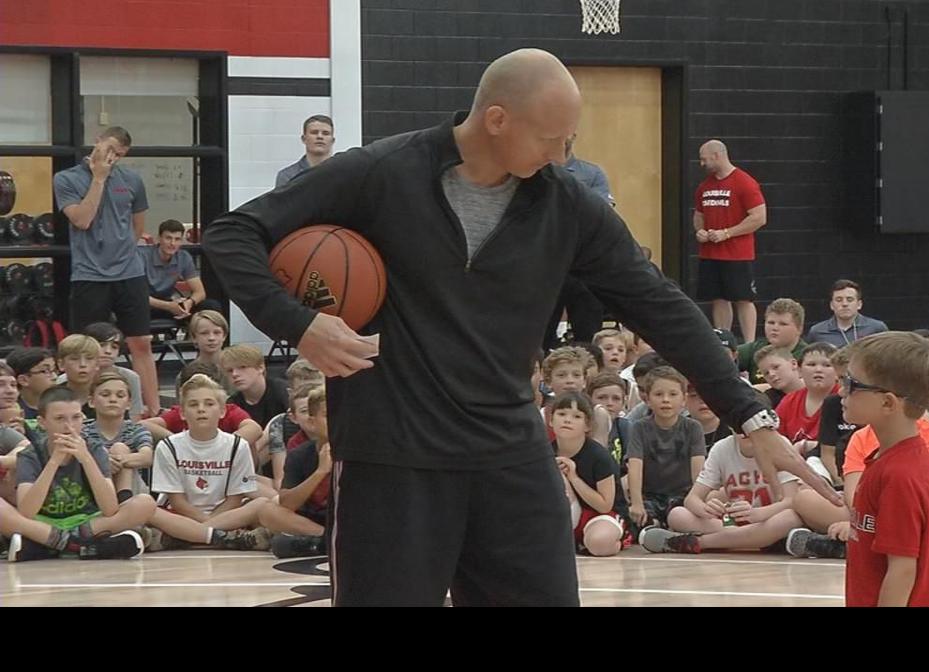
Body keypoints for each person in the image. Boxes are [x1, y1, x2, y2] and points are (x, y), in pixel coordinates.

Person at [203, 48, 837, 607]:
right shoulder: (382, 172)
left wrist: (749, 414)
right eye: (552, 138)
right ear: (496, 118)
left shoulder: (567, 205)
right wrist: (300, 322)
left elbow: (660, 303)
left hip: (508, 452)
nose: (564, 154)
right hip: (393, 458)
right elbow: (234, 233)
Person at [53, 126, 160, 416]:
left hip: (129, 271)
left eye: (119, 155)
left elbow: (137, 226)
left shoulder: (132, 180)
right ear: (97, 142)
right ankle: (85, 410)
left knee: (141, 342)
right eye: (110, 150)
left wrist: (126, 251)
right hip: (89, 273)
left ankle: (152, 410)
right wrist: (99, 178)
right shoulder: (66, 179)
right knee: (88, 348)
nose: (113, 158)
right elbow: (82, 219)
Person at [694, 139, 766, 343]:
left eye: (704, 159)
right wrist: (700, 231)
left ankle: (749, 342)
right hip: (710, 253)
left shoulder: (744, 182)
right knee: (718, 297)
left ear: (717, 155)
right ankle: (722, 338)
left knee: (743, 298)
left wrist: (727, 233)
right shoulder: (704, 187)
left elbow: (759, 217)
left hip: (737, 253)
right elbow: (699, 215)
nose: (702, 164)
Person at [276, 115, 335, 187]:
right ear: (304, 139)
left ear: (332, 141)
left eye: (325, 133)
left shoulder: (344, 174)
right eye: (314, 132)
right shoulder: (288, 176)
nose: (320, 136)